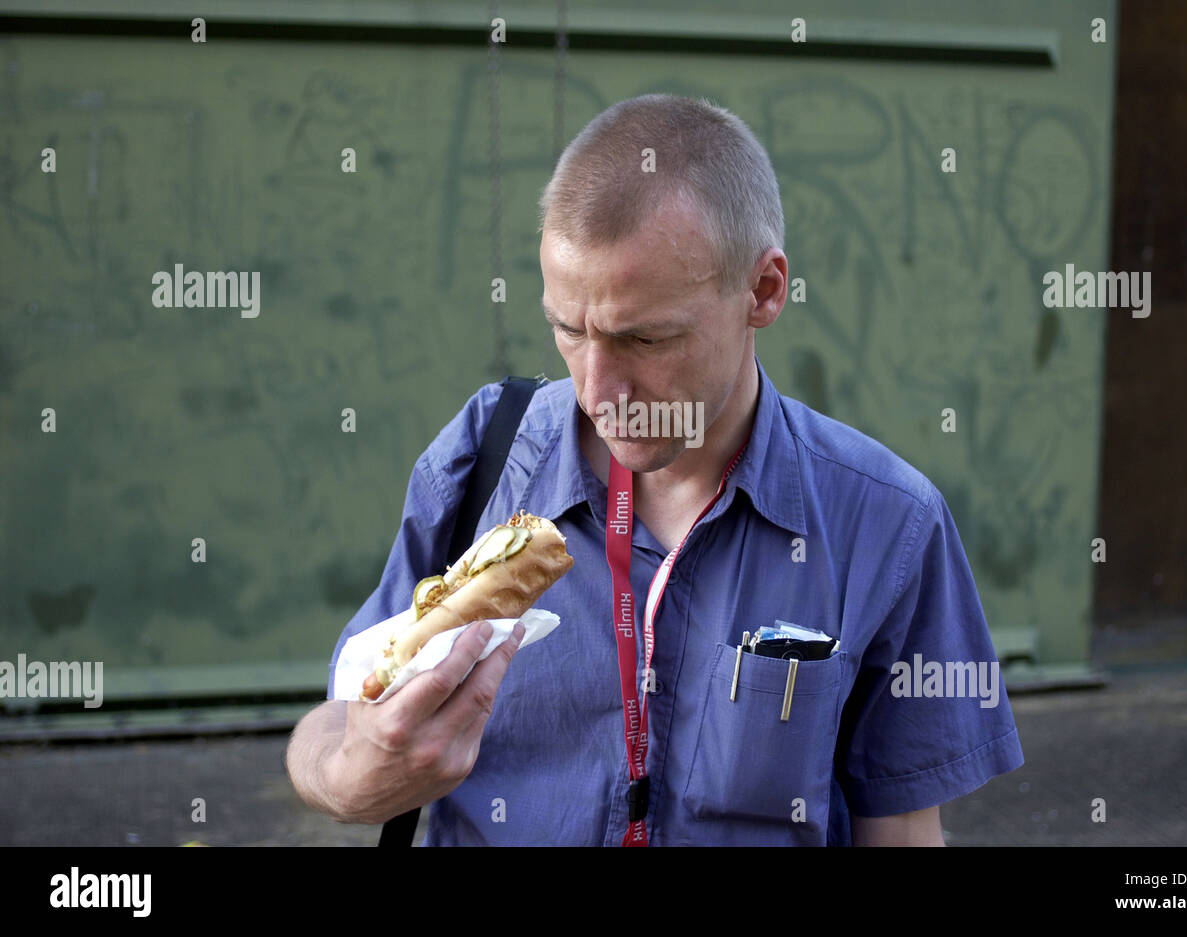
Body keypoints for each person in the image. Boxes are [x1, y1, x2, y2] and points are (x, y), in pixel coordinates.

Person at [287, 93, 1023, 845]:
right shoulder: (485, 455)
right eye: (568, 330)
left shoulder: (887, 521)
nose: (598, 390)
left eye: (644, 339)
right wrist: (350, 779)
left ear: (764, 291)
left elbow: (899, 832)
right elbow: (335, 718)